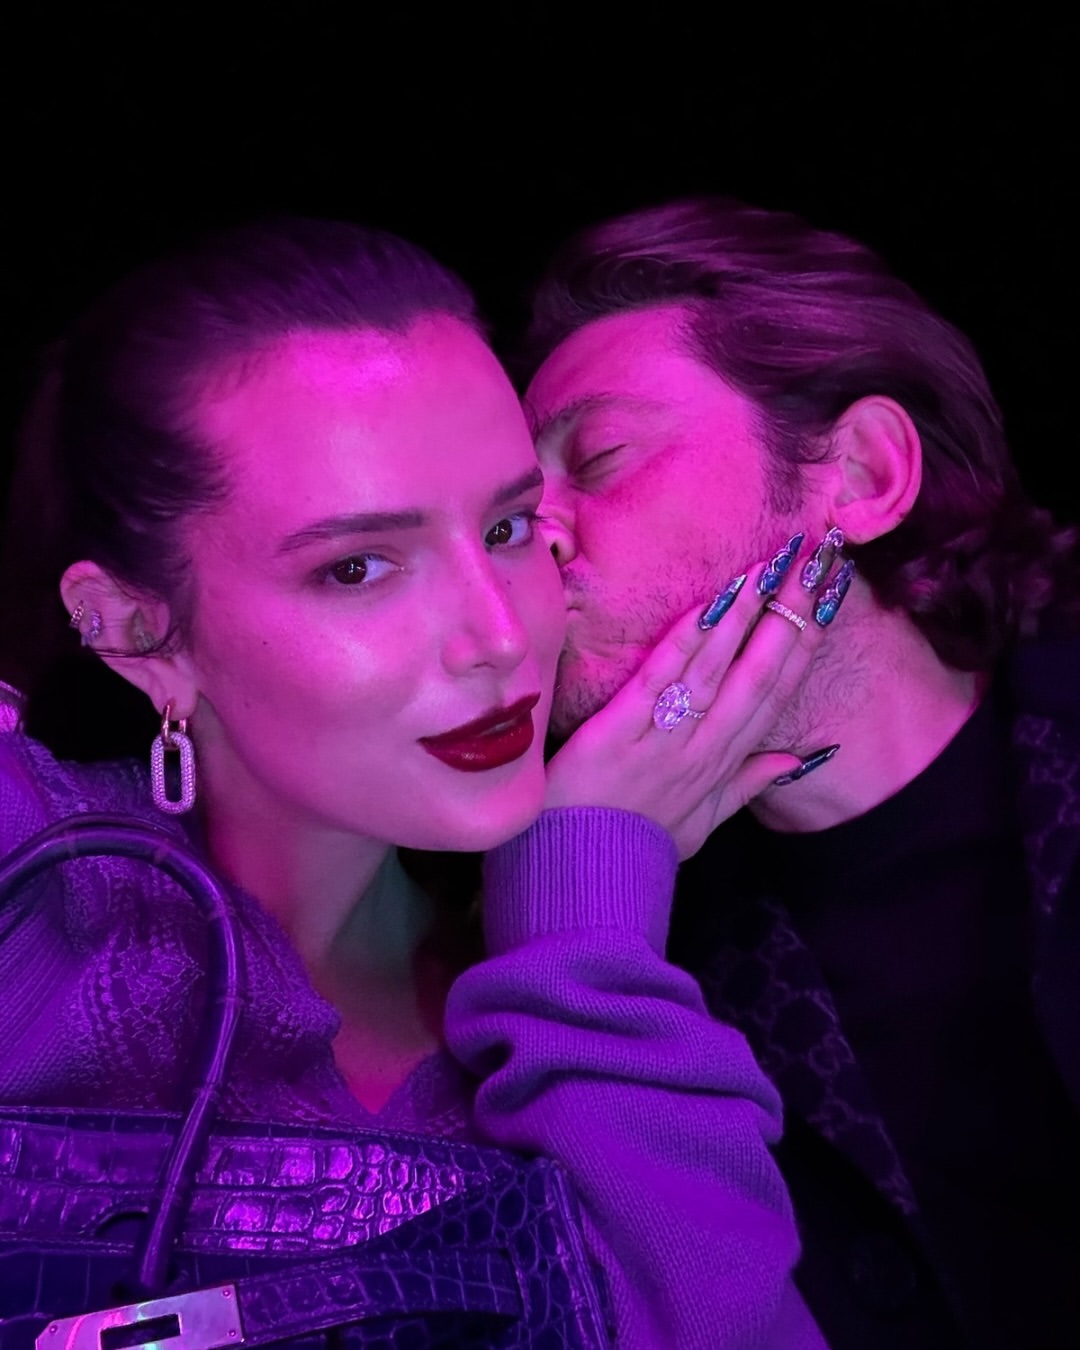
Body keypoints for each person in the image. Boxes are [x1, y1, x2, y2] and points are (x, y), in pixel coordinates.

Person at [0, 216, 829, 1349]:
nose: (501, 636)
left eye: (511, 527)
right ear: (138, 631)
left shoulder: (604, 988)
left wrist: (583, 928)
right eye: (357, 567)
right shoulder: (37, 888)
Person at [522, 196, 1080, 1350]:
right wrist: (581, 899)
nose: (540, 538)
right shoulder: (623, 939)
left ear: (862, 472)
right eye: (515, 514)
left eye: (601, 458)